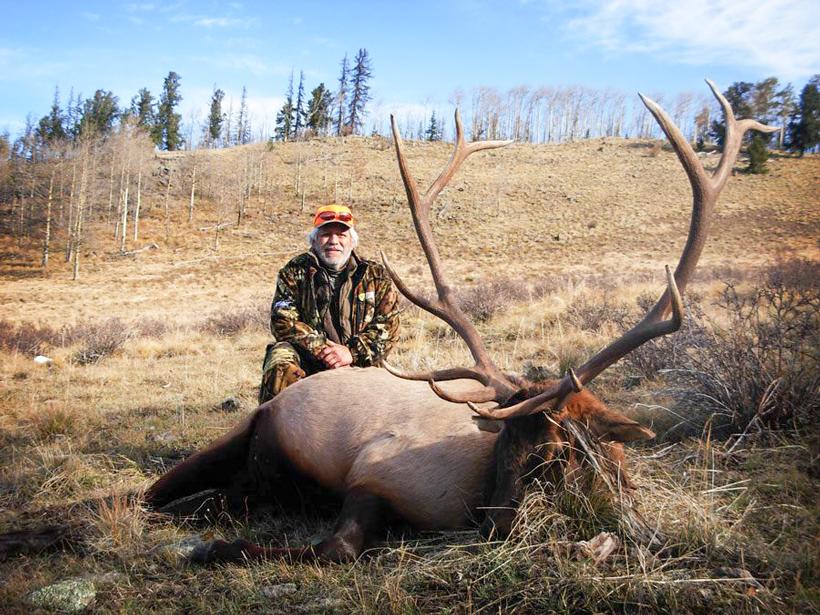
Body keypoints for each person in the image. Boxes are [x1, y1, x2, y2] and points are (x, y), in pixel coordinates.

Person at [258, 204, 400, 403]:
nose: (334, 241)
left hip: (359, 363)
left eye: (341, 235)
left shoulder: (376, 276)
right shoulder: (293, 272)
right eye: (326, 234)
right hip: (309, 360)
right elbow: (282, 321)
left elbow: (389, 327)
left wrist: (350, 352)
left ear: (352, 241)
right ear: (314, 239)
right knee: (280, 361)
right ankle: (271, 431)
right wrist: (323, 350)